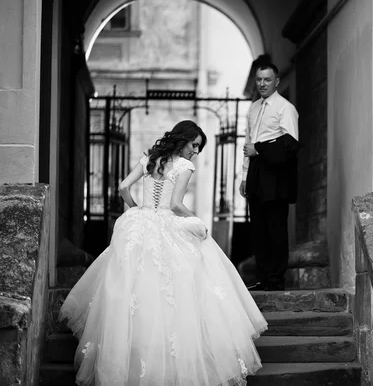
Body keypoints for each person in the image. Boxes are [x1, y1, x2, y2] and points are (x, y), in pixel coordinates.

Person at [59, 120, 267, 386]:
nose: (195, 152)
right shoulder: (183, 166)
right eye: (194, 145)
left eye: (198, 149)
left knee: (133, 289)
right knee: (177, 286)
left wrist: (137, 209)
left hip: (140, 224)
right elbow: (177, 205)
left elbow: (123, 187)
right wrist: (198, 222)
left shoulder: (149, 159)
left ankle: (129, 357)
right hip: (166, 225)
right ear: (184, 139)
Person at [240, 63, 299, 291]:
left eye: (267, 80)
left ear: (276, 82)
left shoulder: (286, 109)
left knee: (275, 228)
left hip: (276, 175)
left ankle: (276, 280)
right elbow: (248, 144)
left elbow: (290, 145)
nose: (262, 84)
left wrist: (260, 150)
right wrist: (244, 176)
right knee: (258, 229)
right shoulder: (253, 108)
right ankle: (263, 277)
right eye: (259, 80)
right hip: (255, 172)